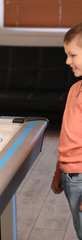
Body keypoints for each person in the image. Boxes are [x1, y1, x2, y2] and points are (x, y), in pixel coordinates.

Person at [51, 22, 82, 240]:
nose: (67, 61)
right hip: (69, 176)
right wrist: (58, 171)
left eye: (72, 55)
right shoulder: (74, 89)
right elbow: (67, 136)